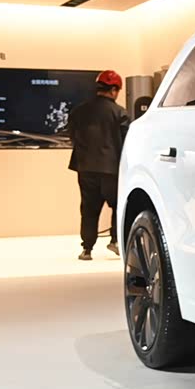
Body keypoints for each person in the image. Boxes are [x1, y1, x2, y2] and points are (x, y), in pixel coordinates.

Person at [67, 70, 129, 261]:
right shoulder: (120, 113)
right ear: (114, 90)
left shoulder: (78, 111)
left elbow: (72, 136)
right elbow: (127, 141)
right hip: (112, 169)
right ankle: (116, 241)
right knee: (118, 205)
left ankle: (87, 249)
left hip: (85, 168)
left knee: (89, 208)